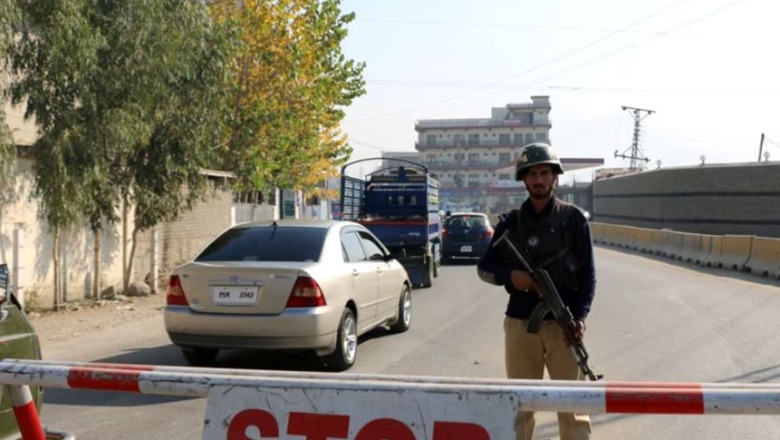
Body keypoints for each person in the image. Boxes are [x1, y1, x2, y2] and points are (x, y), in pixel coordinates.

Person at [476, 142, 596, 440]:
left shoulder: (573, 220)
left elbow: (588, 275)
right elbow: (484, 268)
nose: (539, 179)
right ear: (524, 179)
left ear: (555, 177)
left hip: (562, 326)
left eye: (544, 172)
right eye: (532, 174)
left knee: (572, 408)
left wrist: (579, 317)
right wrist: (511, 276)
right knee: (521, 406)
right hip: (520, 325)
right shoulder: (510, 224)